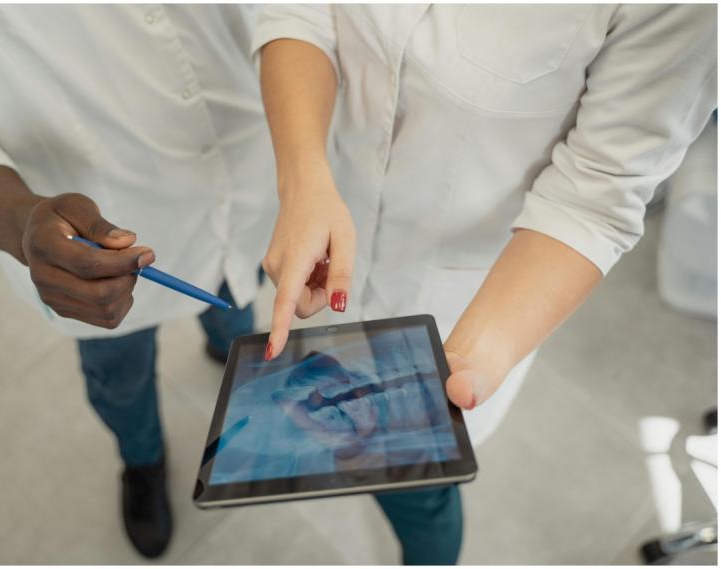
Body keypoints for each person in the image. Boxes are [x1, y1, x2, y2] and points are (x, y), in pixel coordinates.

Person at [252, 4, 716, 565]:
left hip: (474, 302)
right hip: (332, 230)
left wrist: (471, 359)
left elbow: (598, 191)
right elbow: (298, 10)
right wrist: (304, 178)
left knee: (417, 489)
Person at [0, 4, 276, 558]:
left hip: (251, 170)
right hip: (92, 234)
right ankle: (142, 461)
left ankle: (226, 349)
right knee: (121, 375)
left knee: (237, 302)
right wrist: (21, 223)